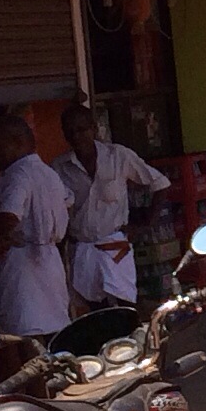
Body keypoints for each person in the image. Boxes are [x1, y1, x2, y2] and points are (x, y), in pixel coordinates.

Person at [55, 101, 170, 313]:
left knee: (126, 304)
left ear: (93, 128)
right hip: (82, 247)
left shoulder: (118, 156)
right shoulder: (60, 167)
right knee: (95, 308)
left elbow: (160, 183)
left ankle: (136, 333)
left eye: (81, 129)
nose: (76, 136)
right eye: (70, 132)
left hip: (114, 243)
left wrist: (146, 224)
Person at [0, 116, 74, 337]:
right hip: (50, 262)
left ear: (17, 142)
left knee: (22, 336)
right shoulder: (48, 173)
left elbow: (9, 215)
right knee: (55, 330)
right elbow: (68, 201)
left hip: (22, 267)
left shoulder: (18, 174)